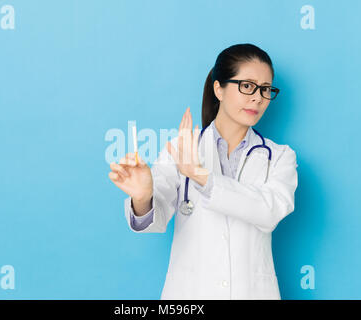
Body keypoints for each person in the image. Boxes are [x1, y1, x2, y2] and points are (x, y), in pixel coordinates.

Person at [108, 43, 298, 300]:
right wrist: (143, 197)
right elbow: (155, 218)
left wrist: (200, 176)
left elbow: (270, 211)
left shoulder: (279, 157)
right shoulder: (180, 149)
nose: (258, 97)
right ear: (218, 88)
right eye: (247, 86)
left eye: (265, 89)